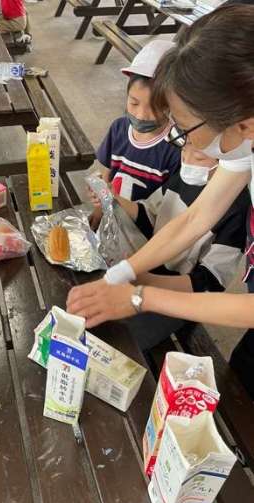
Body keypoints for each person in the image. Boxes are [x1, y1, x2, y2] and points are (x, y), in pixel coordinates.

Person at [66, 4, 254, 398]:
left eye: (184, 128)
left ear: (243, 122)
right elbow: (195, 218)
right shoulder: (243, 140)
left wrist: (140, 296)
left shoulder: (241, 130)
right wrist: (120, 275)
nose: (180, 141)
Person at [89, 144, 249, 350]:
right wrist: (115, 199)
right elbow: (151, 216)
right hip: (145, 275)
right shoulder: (184, 176)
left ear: (227, 157)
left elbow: (209, 282)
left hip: (179, 298)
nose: (187, 161)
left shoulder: (237, 208)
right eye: (184, 150)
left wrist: (147, 282)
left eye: (199, 157)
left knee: (119, 341)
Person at [89, 39, 181, 231]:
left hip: (144, 230)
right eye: (134, 103)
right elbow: (107, 175)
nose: (141, 115)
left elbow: (164, 215)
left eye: (155, 107)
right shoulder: (119, 128)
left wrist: (114, 197)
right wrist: (98, 209)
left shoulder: (175, 148)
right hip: (114, 220)